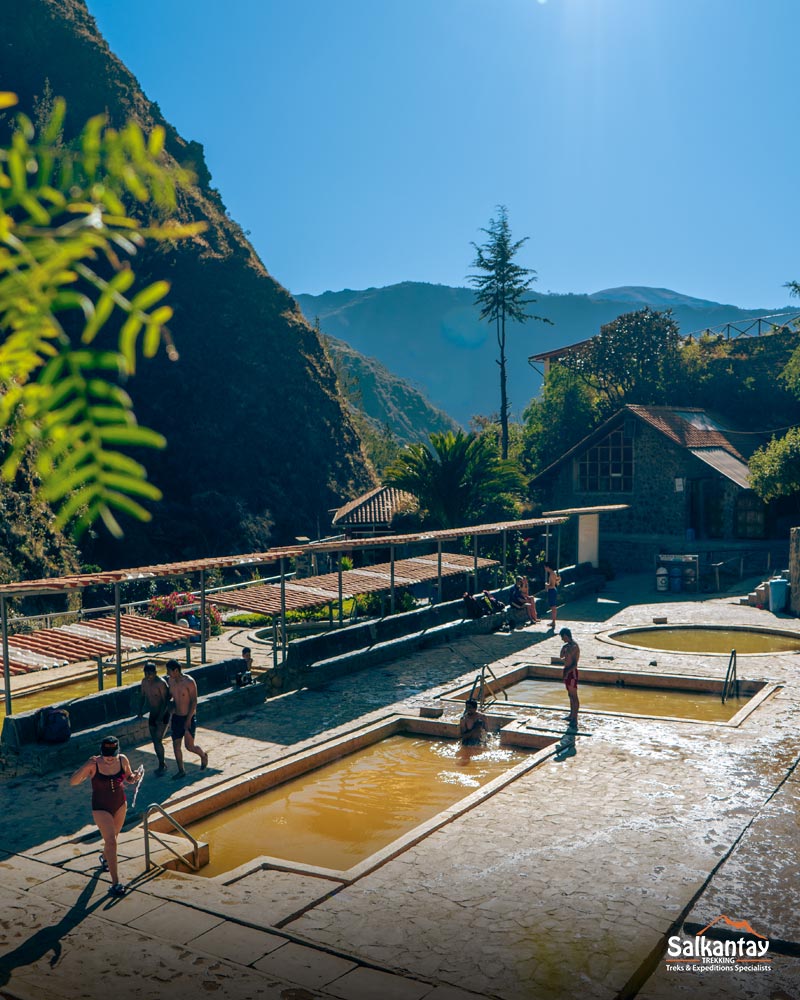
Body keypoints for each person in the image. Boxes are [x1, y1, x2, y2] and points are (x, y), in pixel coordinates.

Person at [69, 735, 140, 897]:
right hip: (101, 808)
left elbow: (128, 776)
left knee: (112, 839)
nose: (109, 760)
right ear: (101, 753)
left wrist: (134, 777)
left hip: (120, 804)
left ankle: (104, 857)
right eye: (106, 756)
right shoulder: (94, 764)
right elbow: (73, 781)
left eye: (112, 756)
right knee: (112, 842)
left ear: (118, 752)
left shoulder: (122, 760)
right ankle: (116, 883)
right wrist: (85, 765)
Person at [166, 659, 208, 778]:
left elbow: (194, 701)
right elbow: (170, 696)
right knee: (176, 745)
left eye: (169, 671)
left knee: (189, 746)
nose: (168, 673)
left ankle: (203, 755)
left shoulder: (189, 682)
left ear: (176, 670)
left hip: (188, 716)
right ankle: (181, 770)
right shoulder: (171, 681)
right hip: (177, 716)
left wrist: (189, 718)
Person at [137, 660, 171, 775]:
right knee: (155, 741)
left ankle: (162, 764)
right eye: (146, 674)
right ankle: (161, 762)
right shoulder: (144, 682)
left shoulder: (160, 683)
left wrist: (161, 717)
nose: (148, 676)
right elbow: (142, 696)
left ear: (155, 672)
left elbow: (166, 701)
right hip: (153, 714)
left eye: (150, 674)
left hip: (163, 714)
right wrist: (140, 710)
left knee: (158, 740)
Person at [558, 627, 580, 729]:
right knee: (570, 695)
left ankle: (575, 718)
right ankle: (571, 715)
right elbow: (561, 657)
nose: (563, 640)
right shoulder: (567, 646)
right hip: (567, 671)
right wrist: (563, 649)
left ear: (566, 636)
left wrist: (567, 672)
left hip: (571, 673)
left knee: (574, 695)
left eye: (563, 638)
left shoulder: (575, 647)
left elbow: (574, 664)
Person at [544, 563, 561, 629]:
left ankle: (553, 621)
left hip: (552, 591)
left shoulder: (551, 574)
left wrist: (546, 585)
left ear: (547, 567)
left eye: (545, 567)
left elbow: (552, 585)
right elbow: (557, 580)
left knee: (553, 607)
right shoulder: (553, 573)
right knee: (553, 607)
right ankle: (553, 621)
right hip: (553, 590)